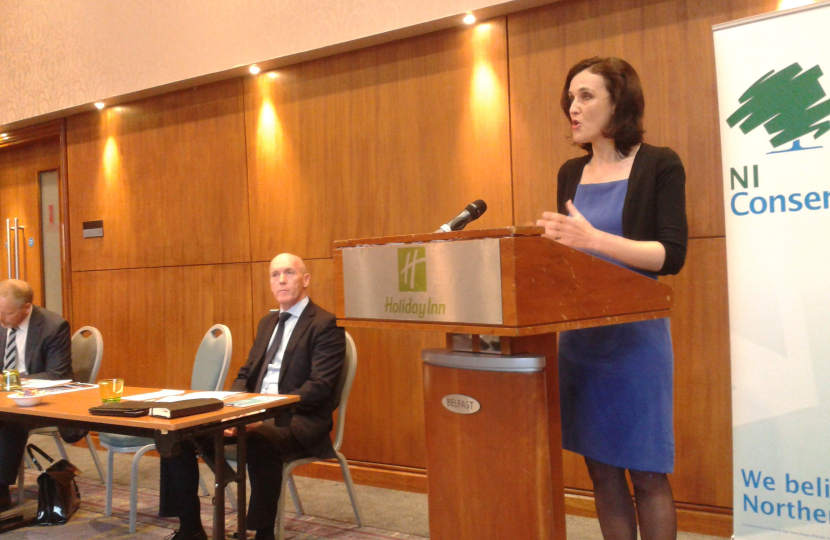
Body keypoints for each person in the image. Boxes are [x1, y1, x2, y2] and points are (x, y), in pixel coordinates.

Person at [536, 57, 687, 540]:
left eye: (586, 96)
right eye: (570, 98)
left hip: (636, 342)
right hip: (582, 343)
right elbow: (572, 258)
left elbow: (671, 255)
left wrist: (593, 239)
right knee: (600, 471)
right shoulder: (570, 172)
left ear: (619, 102)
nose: (573, 108)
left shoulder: (659, 163)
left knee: (647, 473)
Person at [159, 253, 346, 540]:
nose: (281, 280)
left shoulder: (325, 324)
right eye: (275, 275)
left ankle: (261, 532)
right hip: (253, 413)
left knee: (260, 439)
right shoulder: (267, 323)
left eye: (289, 273)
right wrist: (233, 411)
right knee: (176, 433)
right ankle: (190, 528)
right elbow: (245, 375)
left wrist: (264, 414)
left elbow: (319, 387)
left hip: (297, 419)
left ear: (305, 279)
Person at [0, 279, 73, 511]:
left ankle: (1, 491)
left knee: (7, 420)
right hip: (4, 395)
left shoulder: (53, 326)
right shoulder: (1, 319)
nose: (2, 319)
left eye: (8, 314)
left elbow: (57, 375)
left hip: (38, 401)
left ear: (26, 307)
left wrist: (11, 381)